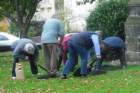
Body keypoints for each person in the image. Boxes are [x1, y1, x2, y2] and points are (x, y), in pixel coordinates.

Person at [40, 14, 64, 78]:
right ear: (58, 18)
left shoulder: (46, 22)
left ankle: (48, 71)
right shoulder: (59, 22)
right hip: (52, 40)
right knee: (53, 56)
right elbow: (62, 34)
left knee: (47, 56)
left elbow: (44, 31)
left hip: (43, 40)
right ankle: (53, 71)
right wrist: (60, 42)